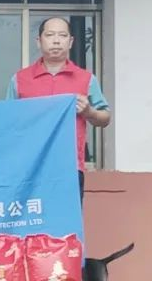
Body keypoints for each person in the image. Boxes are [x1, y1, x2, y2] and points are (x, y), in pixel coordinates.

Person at [6, 17, 111, 202]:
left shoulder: (86, 79)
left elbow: (105, 117)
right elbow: (8, 121)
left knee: (66, 219)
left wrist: (89, 112)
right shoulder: (19, 80)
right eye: (50, 35)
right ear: (38, 41)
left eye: (62, 35)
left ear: (70, 42)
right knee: (31, 218)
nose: (56, 41)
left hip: (69, 167)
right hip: (29, 167)